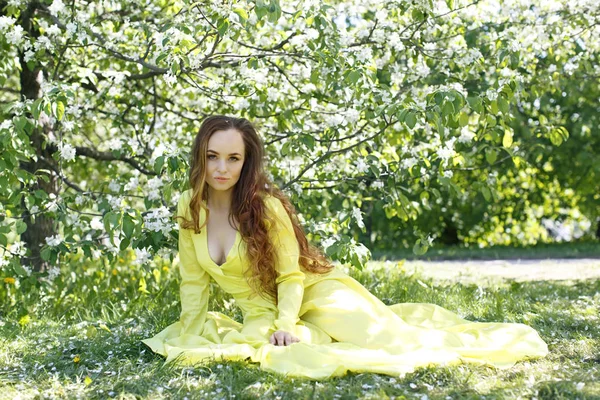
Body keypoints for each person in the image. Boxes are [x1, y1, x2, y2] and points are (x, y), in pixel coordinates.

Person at [141, 115, 548, 379]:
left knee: (390, 344)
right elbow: (194, 282)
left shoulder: (265, 207)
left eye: (233, 158)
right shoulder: (188, 206)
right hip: (260, 311)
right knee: (290, 348)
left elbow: (289, 274)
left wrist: (286, 326)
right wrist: (189, 335)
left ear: (246, 162)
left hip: (315, 293)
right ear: (201, 157)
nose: (221, 169)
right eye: (212, 156)